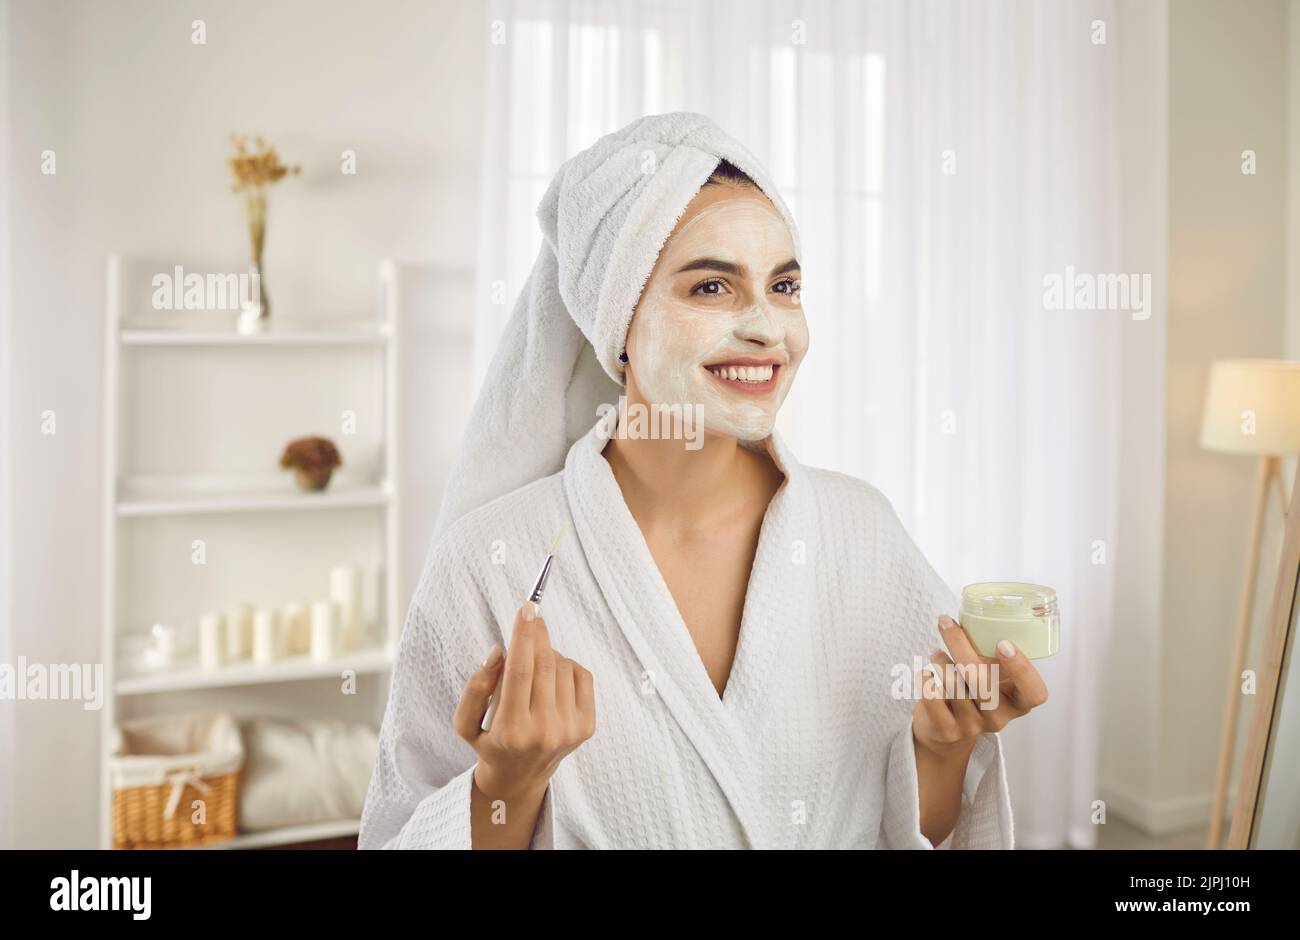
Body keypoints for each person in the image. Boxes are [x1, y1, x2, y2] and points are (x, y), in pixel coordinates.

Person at [358, 112, 1046, 850]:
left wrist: (942, 751)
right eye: (712, 287)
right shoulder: (488, 561)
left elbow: (918, 832)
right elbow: (399, 832)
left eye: (784, 285)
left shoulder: (861, 534)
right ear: (616, 322)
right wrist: (505, 790)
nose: (766, 327)